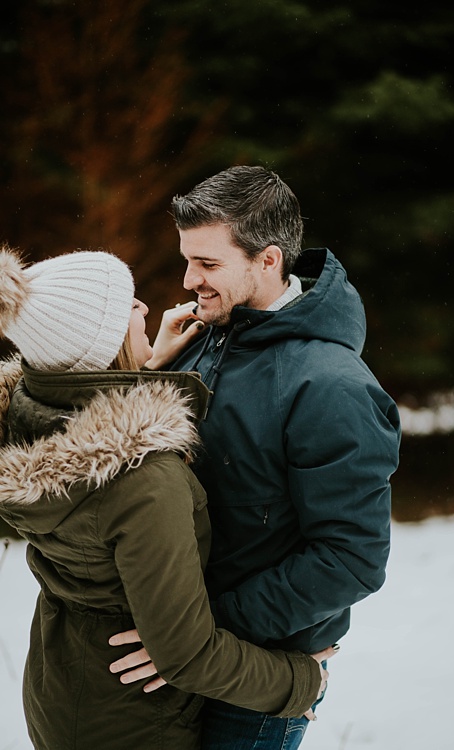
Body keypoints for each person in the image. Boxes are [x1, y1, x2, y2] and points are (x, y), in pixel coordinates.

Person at [113, 165, 401, 749]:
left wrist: (199, 630)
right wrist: (150, 371)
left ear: (268, 260)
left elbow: (351, 559)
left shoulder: (331, 386)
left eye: (208, 264)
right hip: (184, 655)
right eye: (187, 259)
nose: (189, 279)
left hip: (255, 679)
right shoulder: (198, 343)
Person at [0, 248, 330, 750]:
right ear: (102, 348)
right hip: (132, 720)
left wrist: (144, 365)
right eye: (128, 307)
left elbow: (91, 434)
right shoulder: (144, 478)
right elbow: (185, 654)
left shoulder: (28, 421)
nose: (145, 309)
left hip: (64, 687)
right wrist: (300, 681)